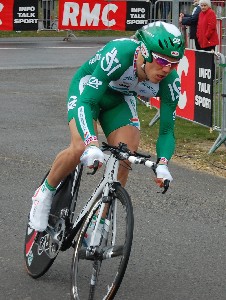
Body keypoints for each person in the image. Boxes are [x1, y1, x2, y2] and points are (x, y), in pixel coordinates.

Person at [29, 21, 185, 232]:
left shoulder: (170, 82)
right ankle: (44, 194)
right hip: (88, 91)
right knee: (79, 147)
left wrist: (163, 164)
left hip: (119, 99)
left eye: (174, 63)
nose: (166, 69)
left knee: (125, 156)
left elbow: (167, 130)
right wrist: (92, 142)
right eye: (161, 60)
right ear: (145, 52)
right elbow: (88, 102)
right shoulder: (119, 54)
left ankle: (100, 221)